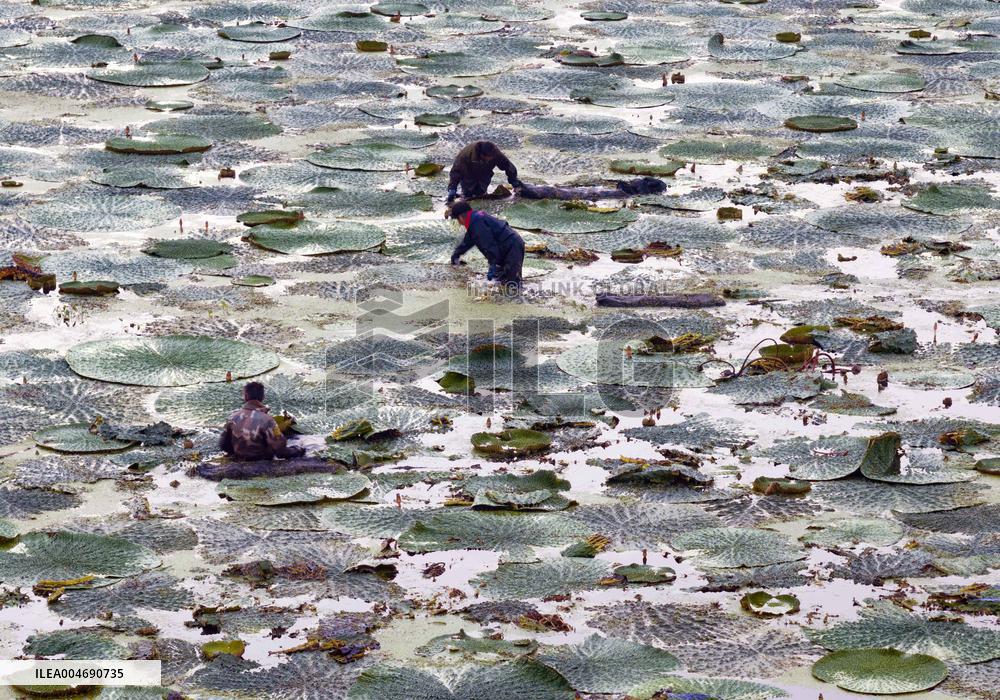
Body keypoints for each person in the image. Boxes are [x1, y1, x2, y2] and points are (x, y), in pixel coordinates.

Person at [448, 201, 524, 293]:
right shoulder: (474, 218)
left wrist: (493, 263)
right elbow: (468, 241)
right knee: (501, 279)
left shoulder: (476, 222)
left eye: (458, 220)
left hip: (512, 247)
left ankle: (519, 301)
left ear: (460, 217)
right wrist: (456, 254)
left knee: (512, 283)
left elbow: (488, 244)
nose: (460, 223)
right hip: (506, 247)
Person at [219, 382, 305, 460]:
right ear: (263, 397)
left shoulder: (232, 417)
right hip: (261, 461)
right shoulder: (268, 420)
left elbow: (224, 445)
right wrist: (298, 450)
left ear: (245, 396)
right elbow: (280, 451)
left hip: (239, 459)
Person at [446, 141, 522, 203]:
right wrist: (452, 188)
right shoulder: (465, 155)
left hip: (485, 173)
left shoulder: (495, 153)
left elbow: (507, 165)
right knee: (468, 194)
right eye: (487, 158)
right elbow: (456, 172)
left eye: (491, 158)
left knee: (480, 194)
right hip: (468, 174)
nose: (489, 159)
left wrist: (513, 180)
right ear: (481, 154)